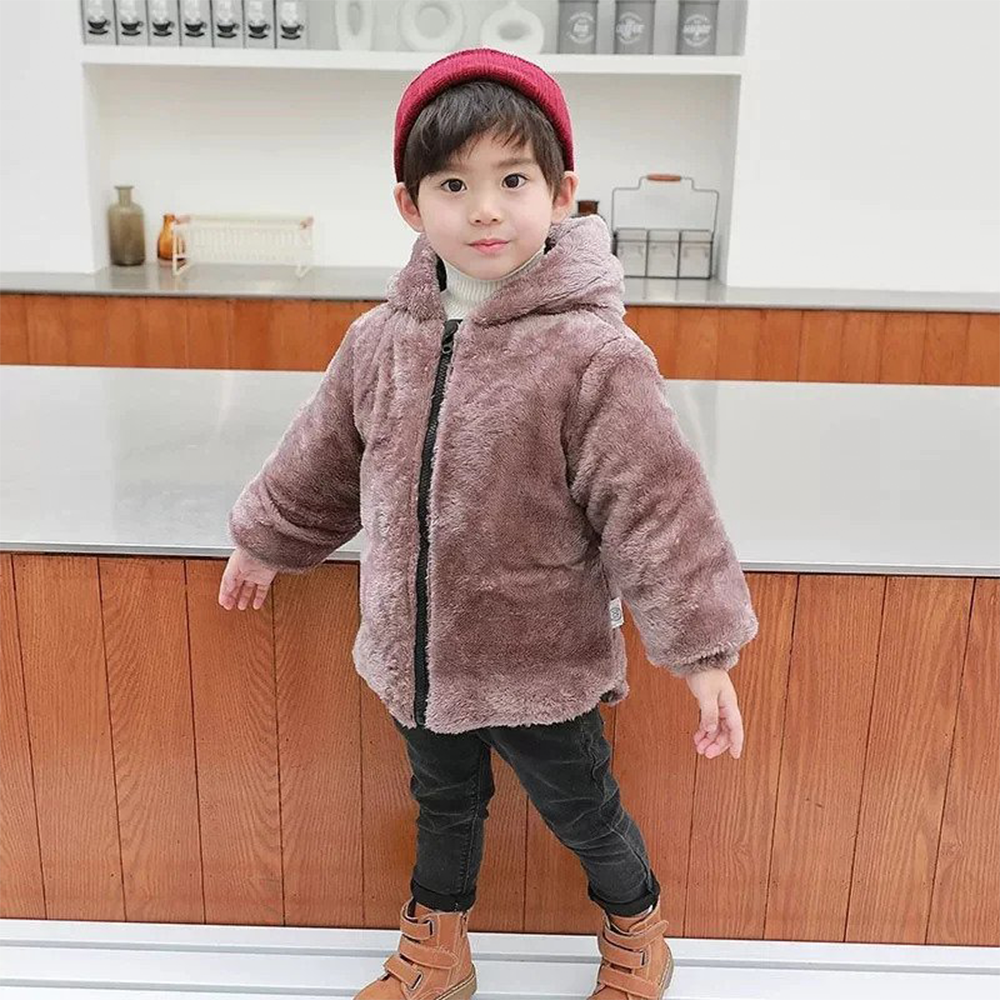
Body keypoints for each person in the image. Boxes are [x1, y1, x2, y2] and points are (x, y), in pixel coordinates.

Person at [218, 47, 758, 1000]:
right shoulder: (380, 341)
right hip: (417, 659)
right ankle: (439, 952)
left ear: (561, 193)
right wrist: (267, 537)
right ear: (410, 205)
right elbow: (323, 457)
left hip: (538, 661)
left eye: (513, 180)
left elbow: (657, 506)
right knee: (443, 806)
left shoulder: (592, 354)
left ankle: (638, 930)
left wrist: (704, 651)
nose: (484, 210)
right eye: (452, 185)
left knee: (582, 808)